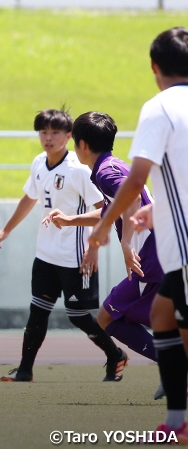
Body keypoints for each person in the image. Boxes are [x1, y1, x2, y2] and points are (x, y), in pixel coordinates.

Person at [88, 27, 188, 441]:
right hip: (173, 227)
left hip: (181, 239)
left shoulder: (159, 107)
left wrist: (103, 226)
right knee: (165, 315)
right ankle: (178, 422)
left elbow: (136, 178)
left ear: (154, 66)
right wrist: (156, 206)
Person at [0, 108, 128, 383]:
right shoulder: (39, 163)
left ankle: (115, 355)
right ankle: (25, 370)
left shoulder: (80, 170)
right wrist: (6, 230)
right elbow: (29, 198)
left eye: (55, 132)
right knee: (38, 311)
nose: (48, 138)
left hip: (76, 257)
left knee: (78, 316)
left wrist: (93, 248)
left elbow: (106, 211)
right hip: (46, 254)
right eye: (43, 132)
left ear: (70, 137)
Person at [42, 112, 162, 372]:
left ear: (82, 145)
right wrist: (71, 219)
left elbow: (131, 200)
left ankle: (175, 368)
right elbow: (114, 208)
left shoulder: (106, 173)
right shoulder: (114, 165)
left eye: (74, 142)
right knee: (112, 316)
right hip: (156, 253)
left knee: (112, 317)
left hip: (150, 258)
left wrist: (126, 242)